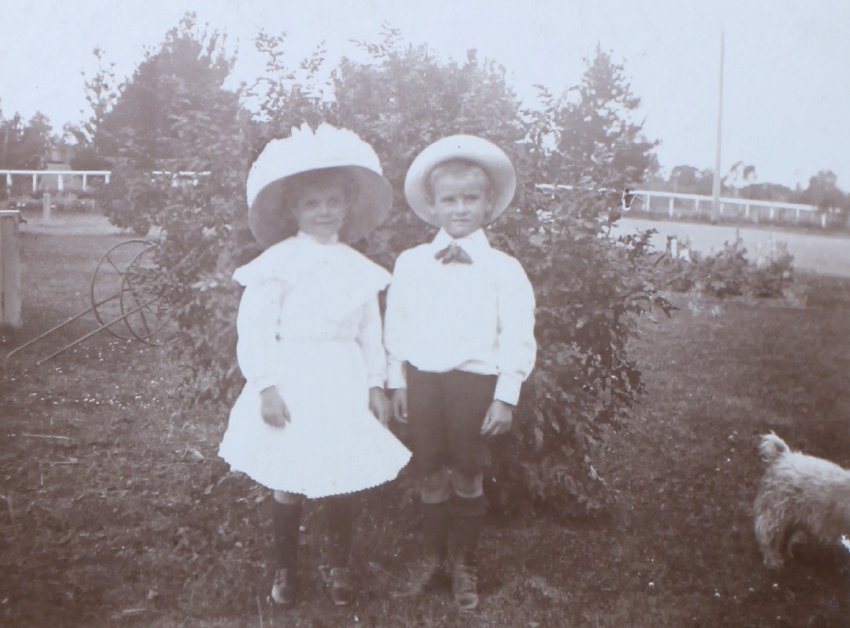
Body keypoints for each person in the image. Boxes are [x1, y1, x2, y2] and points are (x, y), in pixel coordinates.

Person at [218, 123, 411, 608]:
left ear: (347, 206)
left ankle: (339, 567)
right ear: (293, 211)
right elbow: (256, 329)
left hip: (341, 377)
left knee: (340, 475)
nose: (324, 212)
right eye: (311, 204)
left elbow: (370, 330)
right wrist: (266, 386)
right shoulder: (277, 263)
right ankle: (286, 569)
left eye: (332, 202)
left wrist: (375, 384)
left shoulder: (358, 267)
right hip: (296, 375)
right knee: (290, 477)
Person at [384, 135, 537, 611]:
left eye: (471, 198)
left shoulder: (504, 269)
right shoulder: (411, 264)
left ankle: (465, 565)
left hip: (475, 384)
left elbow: (517, 333)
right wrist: (397, 380)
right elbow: (398, 325)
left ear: (489, 203)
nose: (460, 208)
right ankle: (433, 559)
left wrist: (505, 394)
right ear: (431, 206)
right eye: (449, 199)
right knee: (430, 472)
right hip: (425, 382)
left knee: (468, 473)